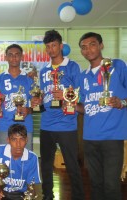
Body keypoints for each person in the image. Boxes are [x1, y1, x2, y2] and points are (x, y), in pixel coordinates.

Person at [31, 30, 84, 200]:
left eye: (54, 45)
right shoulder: (44, 70)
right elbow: (44, 95)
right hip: (47, 124)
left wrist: (65, 96)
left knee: (71, 164)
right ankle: (48, 195)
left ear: (61, 46)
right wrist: (37, 101)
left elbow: (80, 94)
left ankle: (78, 196)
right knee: (46, 164)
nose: (51, 49)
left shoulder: (72, 66)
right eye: (48, 47)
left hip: (67, 124)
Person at [77, 32, 127, 200]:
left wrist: (122, 103)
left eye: (92, 44)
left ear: (101, 45)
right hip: (90, 138)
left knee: (111, 185)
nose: (88, 50)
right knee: (96, 184)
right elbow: (86, 107)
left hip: (112, 137)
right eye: (83, 47)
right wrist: (71, 106)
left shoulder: (117, 66)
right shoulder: (82, 76)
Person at [0, 44, 34, 149]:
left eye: (17, 54)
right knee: (4, 159)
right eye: (10, 55)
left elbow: (38, 106)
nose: (14, 57)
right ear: (6, 57)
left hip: (25, 126)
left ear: (21, 57)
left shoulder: (30, 79)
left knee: (25, 159)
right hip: (4, 126)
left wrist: (28, 110)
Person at [0, 124, 41, 200]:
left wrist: (30, 194)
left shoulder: (32, 158)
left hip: (19, 195)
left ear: (26, 140)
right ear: (8, 140)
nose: (18, 144)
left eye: (22, 139)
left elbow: (33, 186)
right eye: (14, 139)